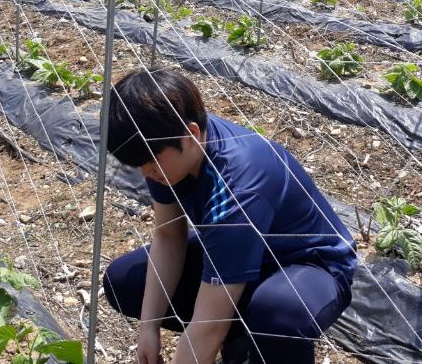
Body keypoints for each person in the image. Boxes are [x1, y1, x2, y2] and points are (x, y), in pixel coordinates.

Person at [103, 69, 356, 364]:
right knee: (125, 281)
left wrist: (205, 335)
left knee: (277, 313)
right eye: (138, 164)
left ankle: (256, 338)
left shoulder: (238, 188)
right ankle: (241, 338)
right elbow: (169, 235)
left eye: (149, 162)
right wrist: (149, 328)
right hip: (239, 255)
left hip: (307, 265)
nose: (145, 172)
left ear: (191, 134)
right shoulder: (165, 143)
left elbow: (208, 326)